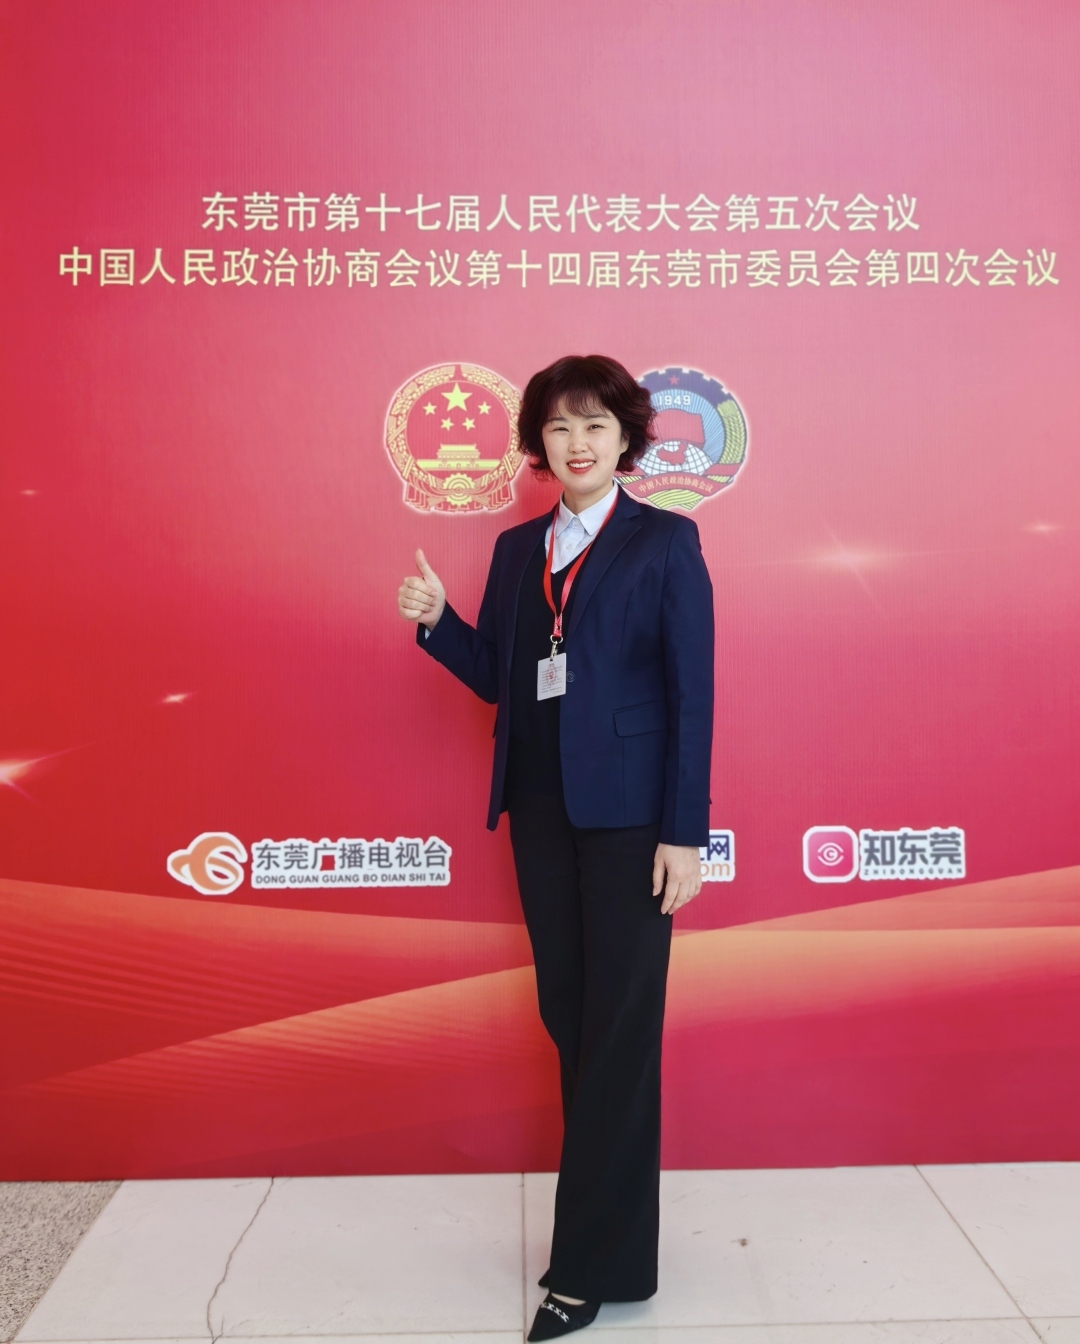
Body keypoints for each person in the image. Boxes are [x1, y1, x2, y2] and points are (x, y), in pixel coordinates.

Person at [397, 354, 714, 1339]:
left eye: (595, 426)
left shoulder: (666, 542)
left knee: (619, 1030)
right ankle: (607, 1238)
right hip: (540, 812)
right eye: (560, 428)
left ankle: (586, 1268)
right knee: (574, 1019)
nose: (577, 444)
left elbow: (692, 695)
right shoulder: (515, 551)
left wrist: (685, 835)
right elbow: (501, 674)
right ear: (539, 443)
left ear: (626, 439)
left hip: (631, 824)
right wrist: (440, 625)